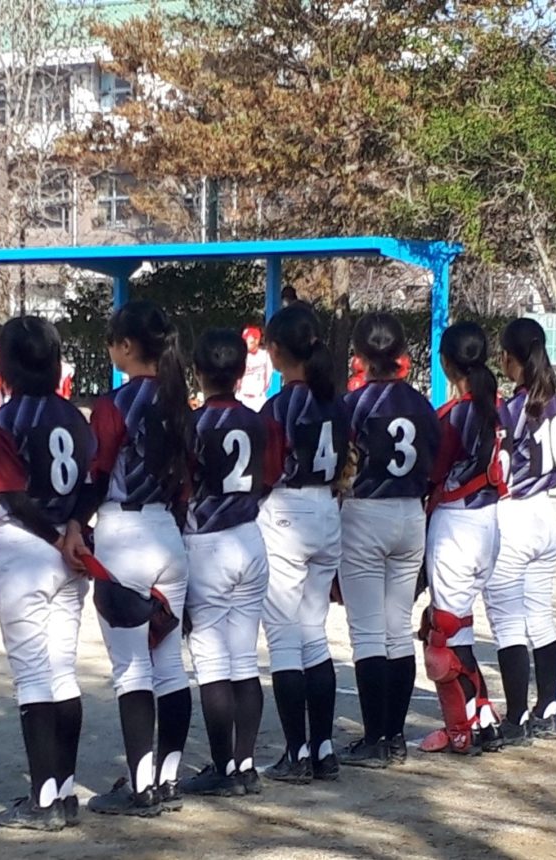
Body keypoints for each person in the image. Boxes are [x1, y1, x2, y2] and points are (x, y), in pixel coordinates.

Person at [63, 300, 191, 817]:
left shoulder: (115, 403)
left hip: (124, 533)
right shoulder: (181, 398)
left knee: (132, 668)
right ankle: (168, 778)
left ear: (126, 348)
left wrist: (75, 522)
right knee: (170, 663)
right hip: (169, 533)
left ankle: (141, 788)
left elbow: (97, 473)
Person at [0, 317, 94, 831]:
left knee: (33, 676)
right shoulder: (76, 416)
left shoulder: (0, 421)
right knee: (62, 671)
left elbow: (11, 496)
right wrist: (73, 528)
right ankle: (66, 792)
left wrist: (55, 535)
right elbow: (94, 481)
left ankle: (42, 799)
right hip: (71, 552)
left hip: (28, 547)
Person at [178, 329, 281, 798]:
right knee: (244, 658)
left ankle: (225, 767)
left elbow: (180, 485)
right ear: (242, 372)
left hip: (208, 541)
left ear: (197, 372)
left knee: (212, 660)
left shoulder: (194, 424)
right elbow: (271, 475)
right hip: (249, 536)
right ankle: (245, 764)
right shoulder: (258, 421)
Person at [337, 314, 439, 768]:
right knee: (398, 627)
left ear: (360, 357)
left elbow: (342, 463)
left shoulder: (355, 403)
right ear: (400, 355)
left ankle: (376, 737)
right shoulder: (421, 403)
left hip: (366, 512)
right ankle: (395, 736)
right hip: (409, 513)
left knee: (367, 632)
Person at [258, 303, 348, 784]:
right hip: (326, 510)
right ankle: (324, 747)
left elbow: (267, 467)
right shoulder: (335, 398)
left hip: (288, 510)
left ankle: (296, 752)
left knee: (284, 638)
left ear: (276, 350)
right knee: (314, 633)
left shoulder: (281, 404)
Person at [420, 321, 510, 756]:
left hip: (456, 525)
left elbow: (432, 473)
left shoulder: (453, 415)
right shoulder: (498, 407)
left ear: (445, 362)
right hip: (489, 524)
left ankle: (463, 728)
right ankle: (484, 717)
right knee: (460, 632)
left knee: (445, 640)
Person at [483, 318, 556, 742]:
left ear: (509, 358)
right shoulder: (554, 399)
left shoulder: (513, 408)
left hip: (514, 513)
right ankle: (547, 708)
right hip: (545, 514)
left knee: (508, 622)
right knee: (541, 618)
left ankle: (515, 718)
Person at [236, 325, 273, 411]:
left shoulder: (265, 356)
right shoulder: (241, 355)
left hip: (259, 398)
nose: (245, 342)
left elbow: (268, 376)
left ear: (256, 340)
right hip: (242, 396)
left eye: (248, 340)